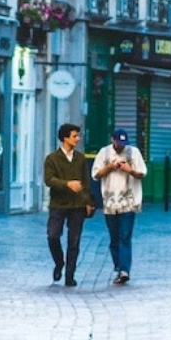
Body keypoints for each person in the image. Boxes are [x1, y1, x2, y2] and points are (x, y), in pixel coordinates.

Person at [92, 128, 147, 285]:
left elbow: (142, 173)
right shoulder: (104, 153)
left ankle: (124, 270)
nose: (121, 147)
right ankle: (118, 266)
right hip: (110, 202)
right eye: (118, 143)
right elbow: (95, 175)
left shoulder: (133, 153)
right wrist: (110, 167)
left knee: (125, 236)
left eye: (124, 143)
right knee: (114, 238)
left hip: (129, 202)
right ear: (112, 140)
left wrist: (129, 170)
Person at [43, 123, 93, 287]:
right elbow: (49, 179)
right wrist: (67, 184)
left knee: (74, 240)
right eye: (74, 136)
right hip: (58, 204)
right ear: (65, 138)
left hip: (77, 205)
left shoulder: (80, 158)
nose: (77, 139)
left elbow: (85, 182)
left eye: (78, 136)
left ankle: (70, 275)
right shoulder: (52, 159)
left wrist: (88, 202)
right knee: (53, 236)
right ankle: (59, 262)